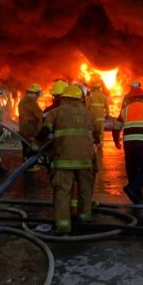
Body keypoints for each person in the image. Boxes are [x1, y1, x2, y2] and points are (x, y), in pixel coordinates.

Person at [35, 85, 99, 234]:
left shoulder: (56, 112)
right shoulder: (89, 115)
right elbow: (97, 137)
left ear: (64, 98)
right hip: (86, 160)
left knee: (62, 192)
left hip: (64, 160)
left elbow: (44, 131)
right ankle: (84, 219)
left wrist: (34, 146)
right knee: (85, 191)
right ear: (80, 99)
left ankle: (63, 226)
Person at [86, 81, 109, 182]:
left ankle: (92, 144)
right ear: (100, 88)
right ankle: (100, 144)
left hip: (92, 117)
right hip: (101, 117)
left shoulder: (90, 96)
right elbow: (106, 106)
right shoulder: (103, 96)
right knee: (101, 131)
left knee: (92, 131)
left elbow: (87, 106)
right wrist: (107, 114)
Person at [18, 83, 44, 160]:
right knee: (32, 151)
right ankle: (30, 164)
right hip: (31, 132)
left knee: (25, 150)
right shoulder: (31, 102)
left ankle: (26, 162)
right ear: (36, 93)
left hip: (23, 130)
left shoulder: (22, 101)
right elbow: (40, 115)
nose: (38, 96)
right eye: (38, 94)